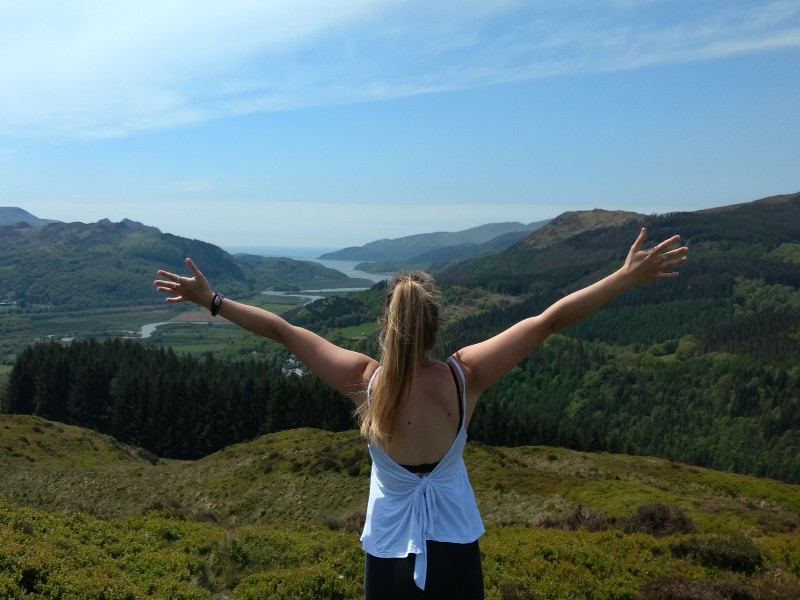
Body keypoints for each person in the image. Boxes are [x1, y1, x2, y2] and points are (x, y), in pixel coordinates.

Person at [154, 227, 688, 599]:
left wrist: (214, 301)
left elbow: (284, 332)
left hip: (387, 548)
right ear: (434, 325)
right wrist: (623, 278)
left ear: (388, 325)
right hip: (454, 541)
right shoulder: (464, 377)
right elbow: (548, 320)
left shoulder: (366, 381)